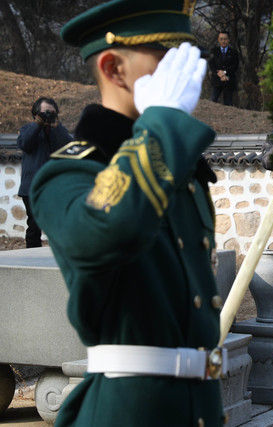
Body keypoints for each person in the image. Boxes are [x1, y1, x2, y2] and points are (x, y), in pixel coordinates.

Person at [30, 1, 225, 425]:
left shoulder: (181, 171)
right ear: (113, 68)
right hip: (129, 410)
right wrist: (163, 121)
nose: (187, 73)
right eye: (167, 59)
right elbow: (107, 228)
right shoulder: (68, 173)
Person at [17, 97, 72, 247]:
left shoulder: (57, 131)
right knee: (34, 227)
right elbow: (25, 144)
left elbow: (68, 147)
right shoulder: (27, 129)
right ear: (36, 114)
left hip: (54, 187)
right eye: (46, 112)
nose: (49, 115)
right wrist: (37, 125)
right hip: (32, 189)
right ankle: (30, 259)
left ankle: (60, 259)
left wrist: (57, 126)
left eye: (52, 113)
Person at [208, 31, 239, 106]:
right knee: (212, 103)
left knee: (228, 105)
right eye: (221, 39)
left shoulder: (234, 52)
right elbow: (211, 64)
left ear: (228, 40)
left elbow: (235, 66)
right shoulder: (214, 51)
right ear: (218, 40)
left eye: (225, 39)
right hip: (216, 80)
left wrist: (224, 72)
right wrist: (219, 74)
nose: (223, 41)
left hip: (229, 81)